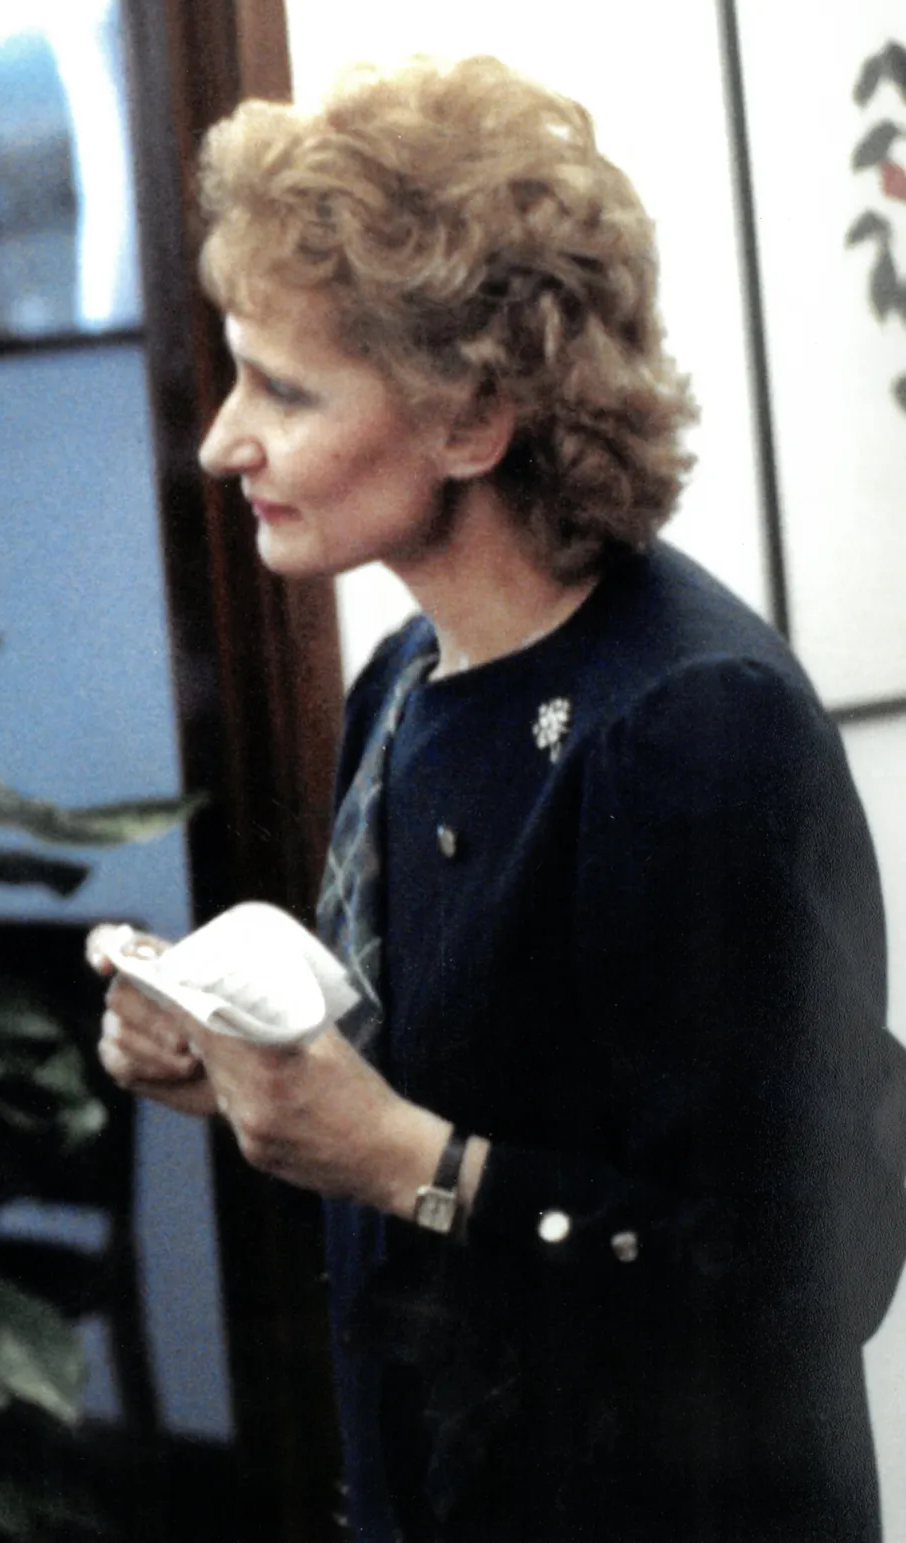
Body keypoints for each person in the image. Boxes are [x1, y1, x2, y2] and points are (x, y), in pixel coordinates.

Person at [96, 56, 906, 1543]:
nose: (223, 441)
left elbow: (810, 1276)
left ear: (473, 420)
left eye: (284, 386)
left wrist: (407, 1160)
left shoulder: (690, 725)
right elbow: (451, 1104)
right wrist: (252, 1077)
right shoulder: (406, 678)